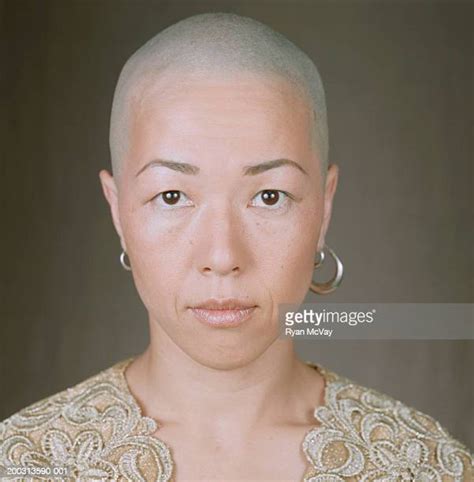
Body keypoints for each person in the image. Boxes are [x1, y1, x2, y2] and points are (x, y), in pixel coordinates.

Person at [0, 12, 471, 481]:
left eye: (269, 196)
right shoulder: (25, 462)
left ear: (323, 209)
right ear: (117, 210)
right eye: (172, 196)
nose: (223, 257)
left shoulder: (426, 465)